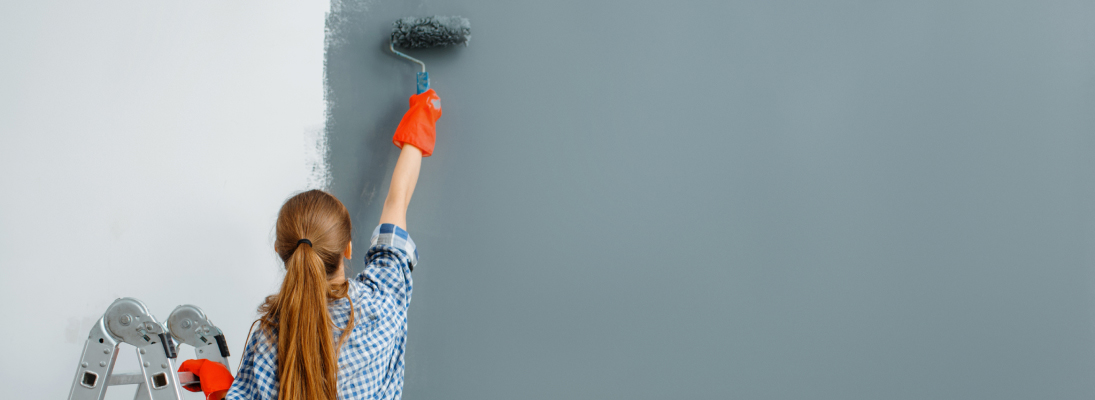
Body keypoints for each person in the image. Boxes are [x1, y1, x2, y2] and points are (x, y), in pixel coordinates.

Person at [222, 89, 443, 400]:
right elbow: (397, 203)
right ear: (348, 248)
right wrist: (422, 121)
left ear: (281, 252)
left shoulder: (270, 335)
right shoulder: (383, 302)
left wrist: (222, 387)